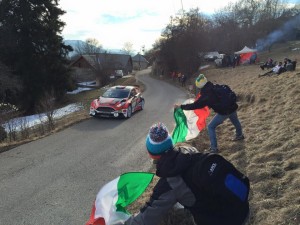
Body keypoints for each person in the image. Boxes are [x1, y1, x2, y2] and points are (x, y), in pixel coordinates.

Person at [123, 122, 250, 225]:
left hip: (223, 221)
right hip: (242, 209)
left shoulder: (168, 184)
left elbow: (146, 219)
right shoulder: (189, 151)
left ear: (151, 154)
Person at [174, 74, 244, 153]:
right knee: (235, 120)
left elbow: (195, 105)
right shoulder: (215, 86)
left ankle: (214, 148)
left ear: (200, 86)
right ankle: (239, 135)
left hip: (224, 112)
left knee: (210, 126)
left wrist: (181, 107)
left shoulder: (206, 94)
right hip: (232, 106)